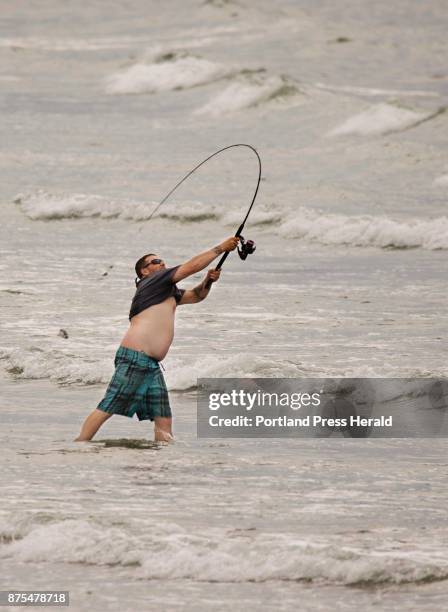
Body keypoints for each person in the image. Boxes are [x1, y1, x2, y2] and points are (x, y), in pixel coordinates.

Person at [74, 236, 240, 443]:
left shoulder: (166, 291)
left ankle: (162, 456)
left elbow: (197, 296)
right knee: (109, 405)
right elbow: (189, 268)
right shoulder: (152, 282)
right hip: (135, 358)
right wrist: (220, 248)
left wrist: (208, 281)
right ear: (144, 271)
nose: (161, 263)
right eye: (155, 261)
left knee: (163, 417)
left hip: (150, 364)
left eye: (162, 261)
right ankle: (79, 444)